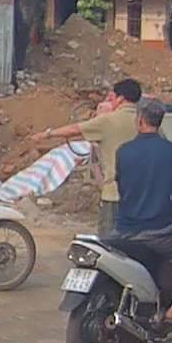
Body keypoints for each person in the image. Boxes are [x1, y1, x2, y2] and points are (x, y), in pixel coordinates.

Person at [113, 98, 172, 330]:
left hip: (123, 230)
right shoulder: (170, 151)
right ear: (160, 122)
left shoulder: (123, 151)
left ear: (139, 120)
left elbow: (122, 188)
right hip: (157, 232)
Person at [29, 79, 143, 236]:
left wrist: (47, 134)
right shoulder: (146, 122)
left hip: (114, 194)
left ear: (120, 98)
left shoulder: (107, 121)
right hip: (142, 195)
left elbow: (74, 129)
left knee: (109, 242)